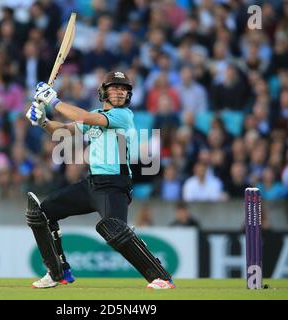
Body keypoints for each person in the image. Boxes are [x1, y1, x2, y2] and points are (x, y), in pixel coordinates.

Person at [24, 71, 175, 289]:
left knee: (114, 230)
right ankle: (57, 272)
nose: (119, 91)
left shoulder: (123, 116)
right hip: (92, 183)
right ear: (103, 91)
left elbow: (84, 117)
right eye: (114, 87)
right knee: (41, 214)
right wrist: (43, 121)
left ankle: (160, 276)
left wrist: (52, 101)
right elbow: (65, 131)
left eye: (123, 89)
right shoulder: (96, 115)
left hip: (115, 185)